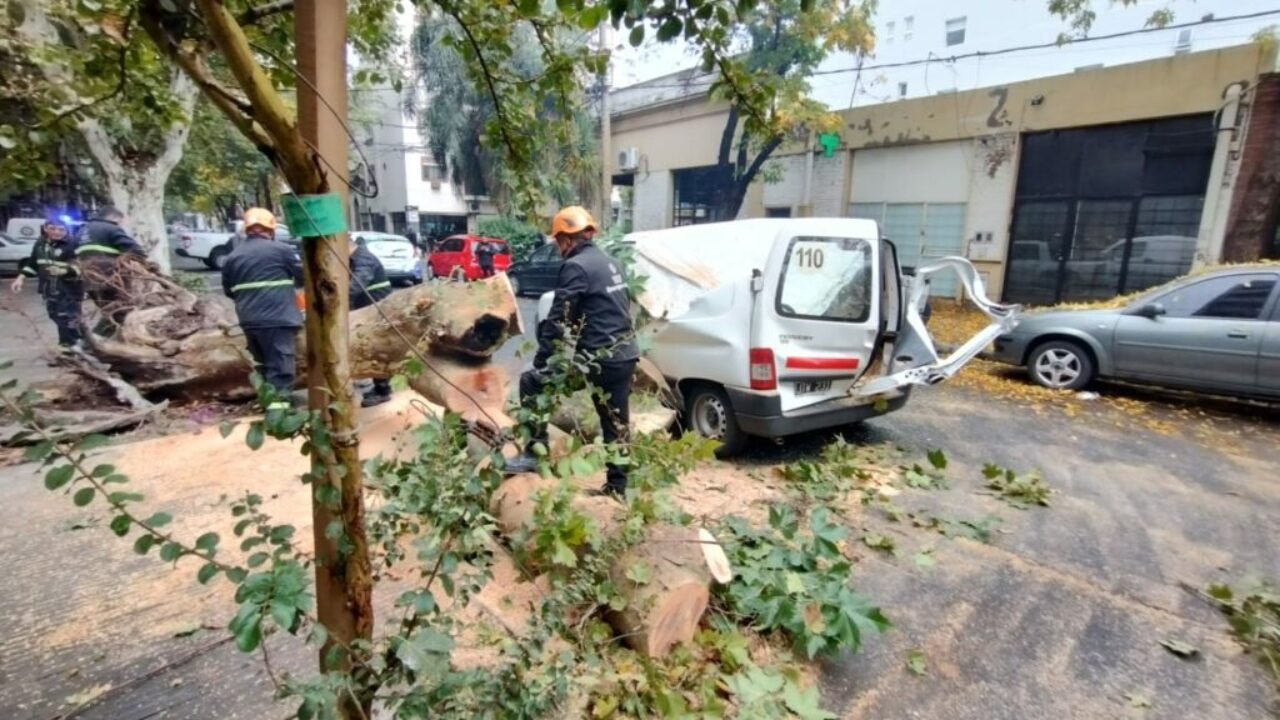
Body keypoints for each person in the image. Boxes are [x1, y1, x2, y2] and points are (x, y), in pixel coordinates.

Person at [505, 206, 639, 496]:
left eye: (558, 242)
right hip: (624, 354)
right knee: (616, 421)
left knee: (531, 382)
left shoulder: (576, 265)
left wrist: (543, 360)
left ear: (567, 239)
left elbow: (558, 316)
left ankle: (533, 454)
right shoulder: (609, 261)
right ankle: (618, 487)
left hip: (598, 359)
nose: (558, 248)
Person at [221, 208, 304, 405]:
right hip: (278, 318)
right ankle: (280, 414)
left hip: (249, 320)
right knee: (280, 367)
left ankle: (268, 404)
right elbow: (303, 276)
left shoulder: (233, 257)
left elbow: (228, 291)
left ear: (247, 229)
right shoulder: (280, 250)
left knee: (263, 365)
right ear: (270, 229)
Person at [10, 218, 84, 350]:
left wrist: (64, 271)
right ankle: (81, 339)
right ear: (45, 228)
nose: (57, 232)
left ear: (67, 230)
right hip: (48, 289)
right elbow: (32, 264)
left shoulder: (73, 244)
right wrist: (20, 278)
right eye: (53, 228)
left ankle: (70, 348)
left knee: (66, 318)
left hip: (69, 290)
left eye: (61, 229)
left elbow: (83, 266)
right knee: (55, 315)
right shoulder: (40, 245)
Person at [76, 206, 145, 327]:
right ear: (113, 217)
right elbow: (135, 250)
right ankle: (107, 337)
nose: (121, 224)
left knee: (108, 309)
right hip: (111, 277)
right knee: (122, 310)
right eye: (121, 221)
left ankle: (98, 338)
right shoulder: (111, 228)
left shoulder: (82, 230)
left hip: (90, 281)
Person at [349, 238, 394, 407]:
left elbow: (355, 285)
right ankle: (376, 383)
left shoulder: (364, 259)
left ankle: (383, 390)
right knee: (367, 348)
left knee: (379, 350)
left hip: (379, 310)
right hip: (367, 311)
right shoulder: (354, 259)